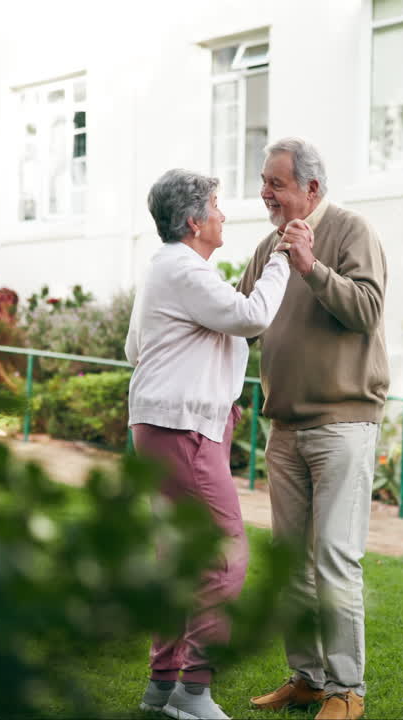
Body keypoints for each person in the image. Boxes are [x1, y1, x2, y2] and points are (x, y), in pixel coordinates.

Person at [127, 168, 291, 720]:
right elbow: (251, 316)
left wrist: (216, 392)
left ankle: (161, 688)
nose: (223, 215)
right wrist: (282, 261)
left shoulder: (165, 270)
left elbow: (137, 349)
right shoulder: (184, 269)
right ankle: (193, 694)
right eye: (217, 206)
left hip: (162, 426)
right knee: (224, 559)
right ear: (194, 220)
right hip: (184, 430)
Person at [238, 138, 388, 720]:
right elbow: (243, 318)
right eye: (264, 182)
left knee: (333, 556)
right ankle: (307, 678)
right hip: (285, 427)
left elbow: (367, 310)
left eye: (275, 183)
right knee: (290, 560)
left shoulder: (353, 232)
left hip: (343, 422)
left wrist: (312, 267)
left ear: (311, 189)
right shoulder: (265, 248)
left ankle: (347, 690)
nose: (265, 193)